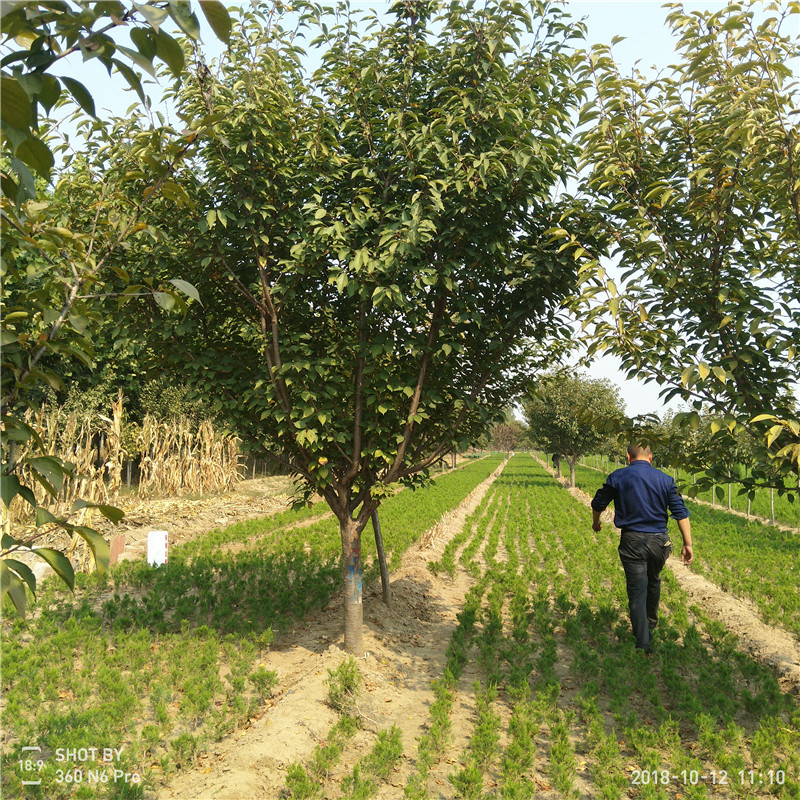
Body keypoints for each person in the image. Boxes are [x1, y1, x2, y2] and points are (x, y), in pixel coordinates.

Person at [591, 444, 693, 655]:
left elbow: (598, 502)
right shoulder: (665, 479)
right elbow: (680, 512)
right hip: (659, 542)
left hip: (632, 541)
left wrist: (596, 522)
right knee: (653, 580)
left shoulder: (618, 476)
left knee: (637, 589)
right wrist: (687, 543)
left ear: (627, 456)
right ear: (651, 457)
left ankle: (643, 642)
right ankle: (650, 623)